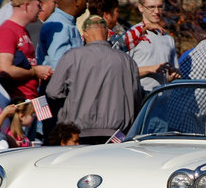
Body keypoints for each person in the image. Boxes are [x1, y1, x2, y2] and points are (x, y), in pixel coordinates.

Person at [46, 16, 143, 144]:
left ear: (84, 34)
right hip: (116, 136)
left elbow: (53, 91)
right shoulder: (127, 61)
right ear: (108, 34)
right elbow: (137, 97)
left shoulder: (72, 56)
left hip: (77, 135)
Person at [0, 0, 52, 100]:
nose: (41, 10)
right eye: (38, 5)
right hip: (20, 102)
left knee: (45, 117)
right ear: (26, 5)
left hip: (32, 97)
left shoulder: (23, 30)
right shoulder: (7, 30)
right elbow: (4, 69)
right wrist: (35, 72)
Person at [124, 0, 179, 92]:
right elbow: (123, 71)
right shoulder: (131, 36)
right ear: (140, 8)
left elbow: (169, 75)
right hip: (140, 101)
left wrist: (171, 76)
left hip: (163, 101)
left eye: (160, 6)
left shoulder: (168, 39)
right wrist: (151, 69)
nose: (157, 11)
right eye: (151, 7)